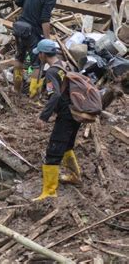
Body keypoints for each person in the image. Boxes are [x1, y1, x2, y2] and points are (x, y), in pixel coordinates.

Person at [33, 39, 82, 201]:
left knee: (53, 150)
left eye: (38, 54)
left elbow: (55, 95)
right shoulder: (65, 64)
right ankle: (75, 176)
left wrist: (43, 117)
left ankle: (49, 191)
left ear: (42, 54)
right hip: (76, 112)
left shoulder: (51, 72)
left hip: (66, 115)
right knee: (67, 145)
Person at [13, 0, 68, 97]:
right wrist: (47, 40)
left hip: (19, 28)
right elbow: (45, 19)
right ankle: (32, 95)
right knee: (37, 65)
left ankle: (16, 90)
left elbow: (18, 1)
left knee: (19, 58)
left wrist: (30, 7)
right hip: (32, 32)